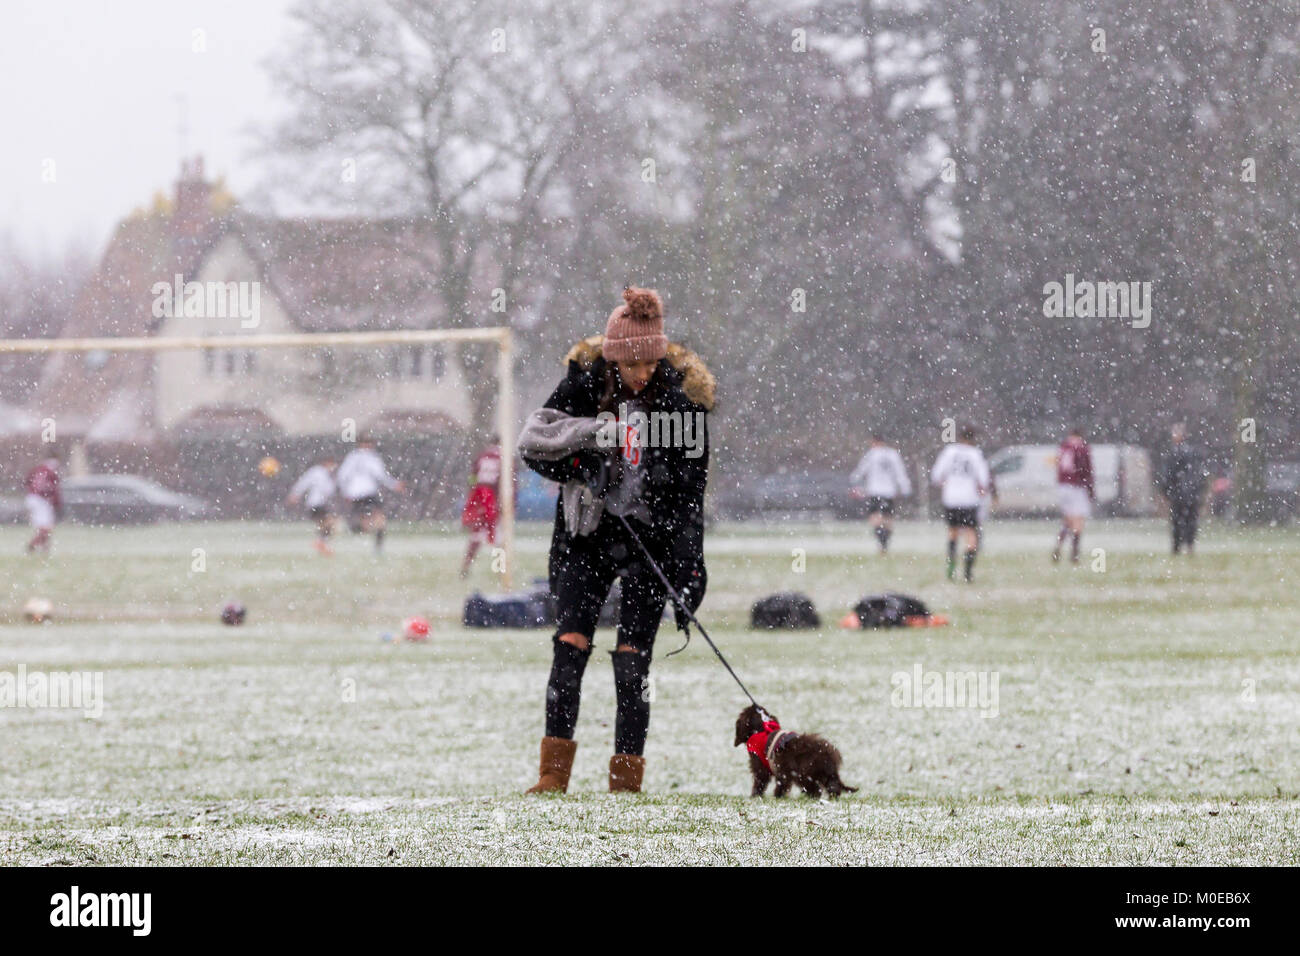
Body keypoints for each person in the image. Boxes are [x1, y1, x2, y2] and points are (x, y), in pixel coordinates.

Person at [518, 286, 713, 795]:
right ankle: (551, 776)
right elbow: (535, 447)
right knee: (570, 648)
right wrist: (585, 460)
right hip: (587, 539)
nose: (642, 372)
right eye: (632, 364)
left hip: (652, 543)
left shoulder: (681, 403)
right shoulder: (582, 386)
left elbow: (691, 491)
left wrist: (689, 564)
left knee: (633, 660)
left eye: (651, 361)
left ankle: (626, 781)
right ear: (613, 359)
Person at [930, 425, 991, 582]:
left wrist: (945, 483)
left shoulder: (949, 452)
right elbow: (983, 479)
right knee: (971, 534)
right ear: (973, 439)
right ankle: (967, 572)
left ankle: (951, 565)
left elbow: (936, 475)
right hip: (969, 498)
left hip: (951, 497)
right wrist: (982, 489)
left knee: (953, 532)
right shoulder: (976, 454)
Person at [335, 436, 406, 553]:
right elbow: (380, 475)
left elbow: (342, 476)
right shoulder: (371, 458)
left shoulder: (352, 457)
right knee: (379, 521)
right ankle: (377, 547)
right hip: (367, 493)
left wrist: (345, 492)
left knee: (366, 521)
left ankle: (352, 529)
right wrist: (394, 485)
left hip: (355, 494)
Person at [849, 434, 911, 553]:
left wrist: (853, 481)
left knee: (875, 518)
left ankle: (881, 542)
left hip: (875, 491)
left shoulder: (872, 454)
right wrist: (905, 488)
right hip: (889, 492)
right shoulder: (893, 455)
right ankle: (885, 542)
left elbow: (860, 471)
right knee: (887, 519)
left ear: (874, 442)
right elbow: (900, 473)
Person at [1157, 423, 1209, 555]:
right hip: (1189, 494)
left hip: (1179, 494)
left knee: (1178, 521)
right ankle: (1188, 546)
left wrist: (1166, 491)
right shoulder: (1193, 453)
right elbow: (1199, 474)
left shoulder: (1174, 454)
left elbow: (1168, 475)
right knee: (1190, 521)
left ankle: (1177, 547)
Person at [460, 437, 502, 578]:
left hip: (480, 497)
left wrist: (474, 491)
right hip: (492, 498)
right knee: (497, 534)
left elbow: (472, 477)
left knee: (476, 534)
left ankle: (466, 565)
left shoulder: (482, 456)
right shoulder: (503, 457)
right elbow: (507, 480)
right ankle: (500, 569)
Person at [1052, 427, 1095, 564]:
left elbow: (1058, 466)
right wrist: (1090, 489)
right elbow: (1086, 470)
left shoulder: (1063, 447)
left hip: (1063, 486)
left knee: (1068, 519)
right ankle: (1074, 554)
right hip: (1076, 487)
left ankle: (1059, 546)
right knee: (1078, 521)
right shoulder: (1081, 448)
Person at [287, 456, 339, 556]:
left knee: (325, 525)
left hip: (321, 503)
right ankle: (321, 543)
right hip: (316, 503)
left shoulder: (329, 475)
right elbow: (304, 482)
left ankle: (321, 544)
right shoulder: (317, 472)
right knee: (330, 523)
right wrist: (295, 494)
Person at [24, 450, 62, 554]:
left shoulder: (38, 469)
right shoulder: (51, 472)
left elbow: (27, 481)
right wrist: (57, 502)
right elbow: (52, 489)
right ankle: (32, 546)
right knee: (46, 528)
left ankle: (45, 549)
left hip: (32, 498)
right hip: (41, 500)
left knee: (45, 527)